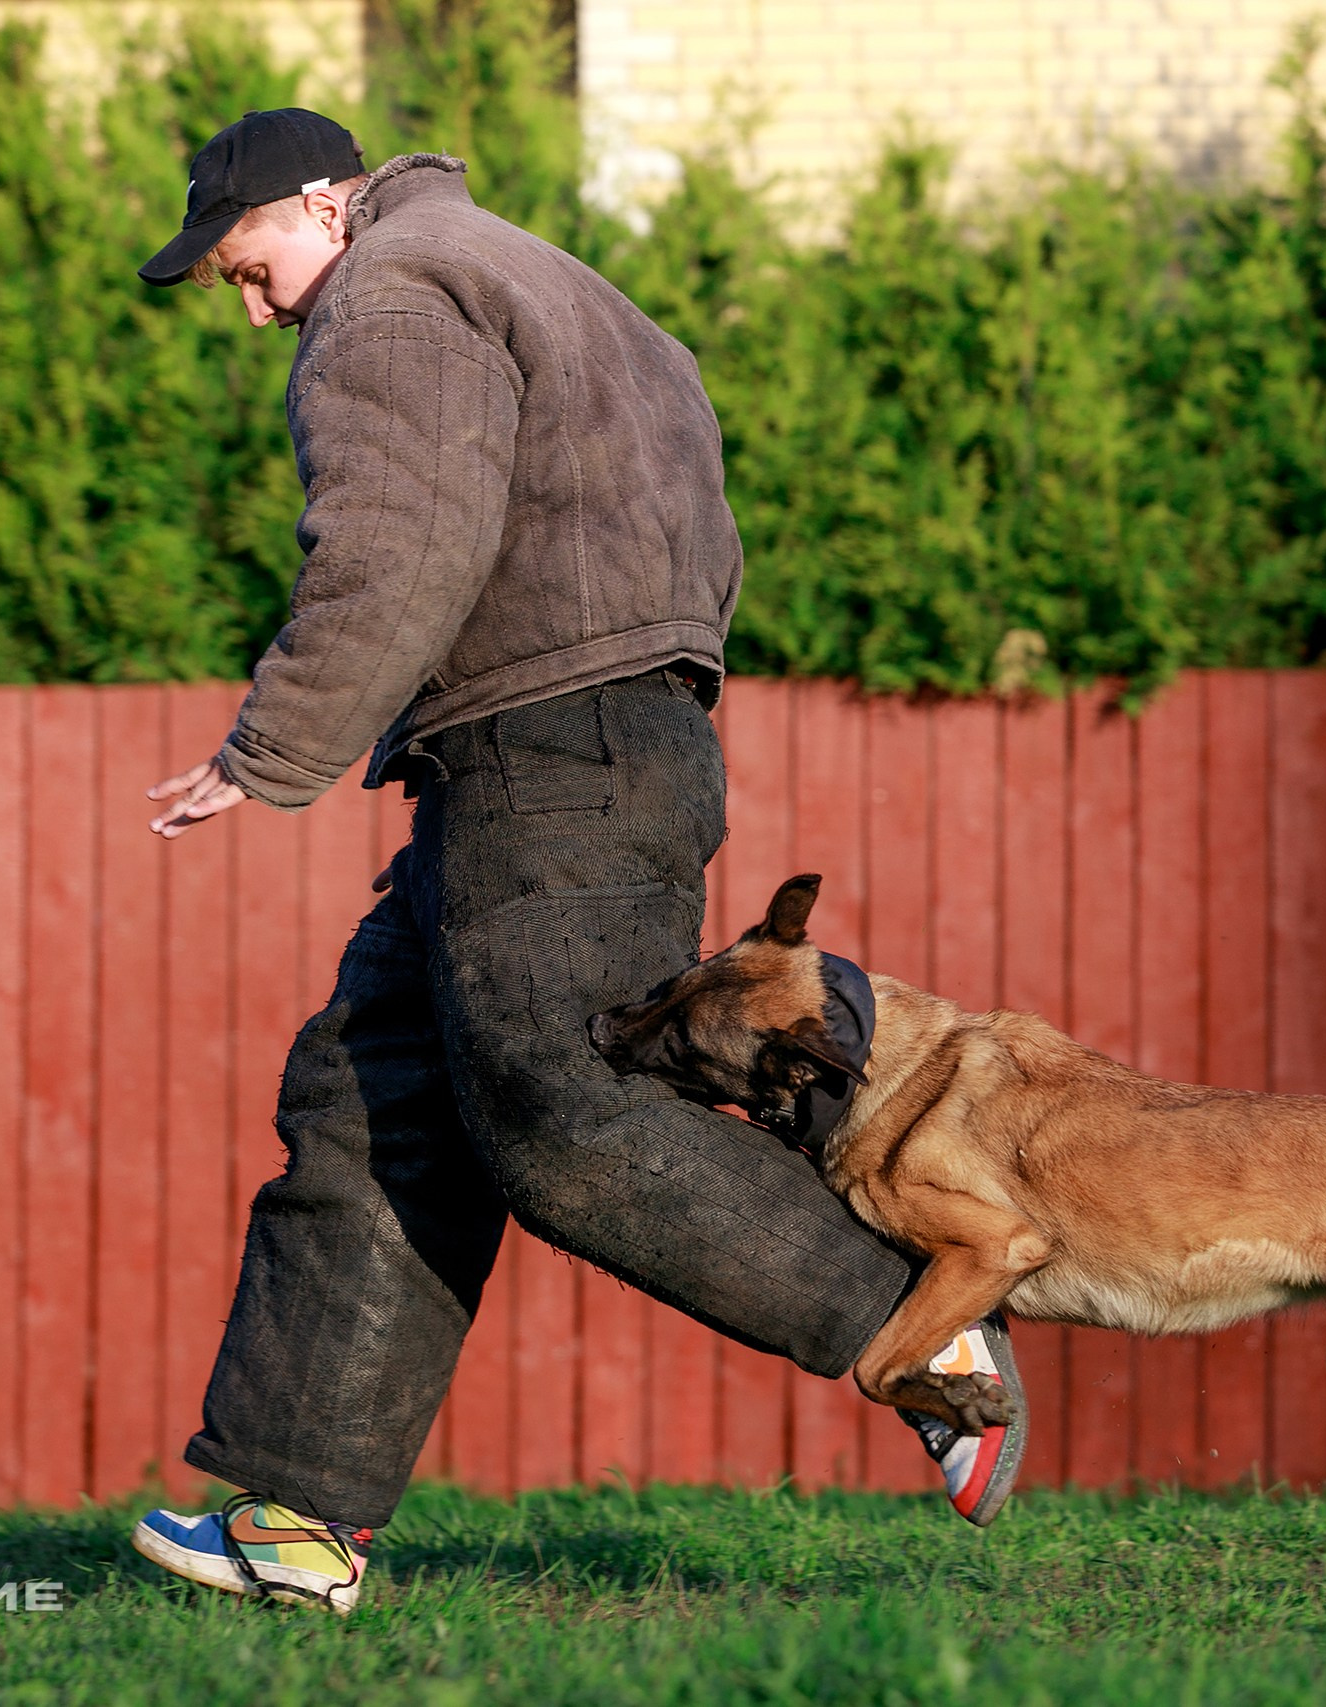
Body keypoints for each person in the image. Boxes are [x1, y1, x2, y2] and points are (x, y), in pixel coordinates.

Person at [125, 109, 1024, 1614]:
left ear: (322, 205)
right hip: (594, 741)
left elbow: (397, 544)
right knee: (373, 1103)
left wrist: (270, 751)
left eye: (249, 263)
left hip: (549, 754)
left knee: (565, 1111)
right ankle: (296, 1524)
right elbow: (695, 512)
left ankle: (924, 1325)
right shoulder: (549, 274)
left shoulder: (395, 296)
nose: (257, 301)